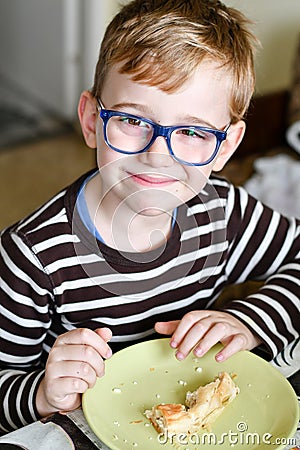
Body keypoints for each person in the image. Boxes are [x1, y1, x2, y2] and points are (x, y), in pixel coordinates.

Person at [0, 0, 299, 435]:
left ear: (227, 146)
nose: (157, 155)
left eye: (193, 132)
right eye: (131, 121)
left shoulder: (224, 211)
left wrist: (250, 321)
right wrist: (44, 393)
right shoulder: (30, 258)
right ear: (90, 120)